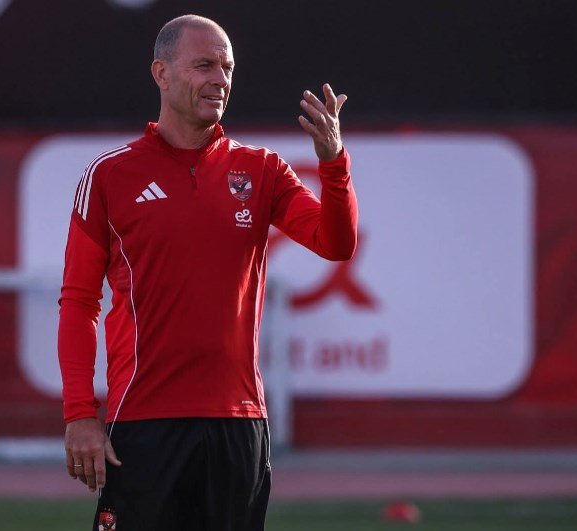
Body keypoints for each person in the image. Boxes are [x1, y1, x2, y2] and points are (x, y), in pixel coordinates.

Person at [58, 14, 357, 531]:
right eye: (204, 65)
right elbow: (79, 301)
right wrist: (80, 413)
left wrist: (333, 163)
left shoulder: (262, 170)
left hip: (238, 423)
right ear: (162, 73)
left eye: (228, 68)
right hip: (144, 423)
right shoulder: (109, 175)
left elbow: (336, 243)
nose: (220, 79)